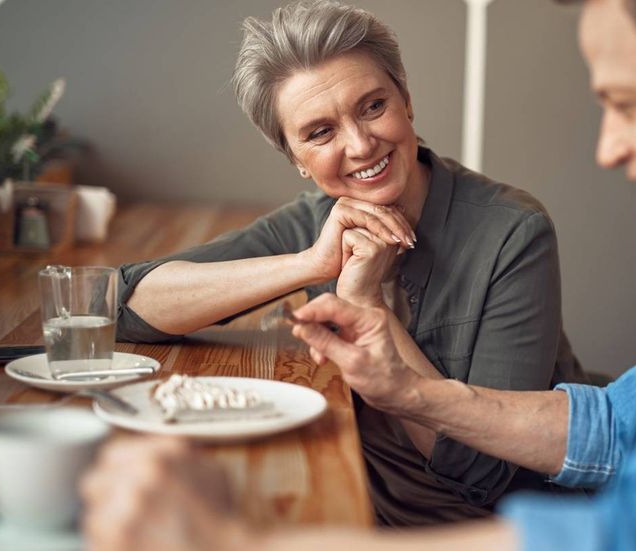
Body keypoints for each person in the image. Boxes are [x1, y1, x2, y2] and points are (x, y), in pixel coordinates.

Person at [82, 0, 636, 549]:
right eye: (320, 131)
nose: (608, 147)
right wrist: (406, 385)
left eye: (625, 103)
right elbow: (620, 427)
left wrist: (247, 545)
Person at [112, 0, 582, 527]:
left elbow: (480, 473)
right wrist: (313, 263)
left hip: (481, 527)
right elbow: (128, 304)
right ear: (295, 159)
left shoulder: (513, 231)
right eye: (319, 133)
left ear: (406, 99)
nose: (360, 144)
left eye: (373, 106)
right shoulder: (317, 220)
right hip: (356, 501)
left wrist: (362, 301)